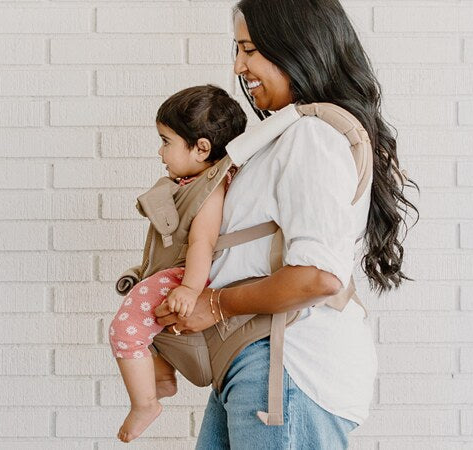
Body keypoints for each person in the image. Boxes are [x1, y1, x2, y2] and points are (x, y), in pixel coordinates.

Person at [154, 1, 418, 448]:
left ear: (295, 47)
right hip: (257, 358)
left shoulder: (310, 136)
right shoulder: (288, 135)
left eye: (250, 49)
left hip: (285, 363)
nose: (239, 66)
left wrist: (213, 305)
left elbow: (318, 276)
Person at [109, 85, 247, 442]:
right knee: (144, 325)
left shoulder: (211, 189)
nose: (160, 151)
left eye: (166, 141)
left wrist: (189, 287)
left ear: (201, 148)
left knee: (124, 329)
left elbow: (204, 242)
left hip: (185, 275)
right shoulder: (194, 181)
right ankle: (163, 377)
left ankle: (145, 403)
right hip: (179, 274)